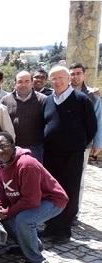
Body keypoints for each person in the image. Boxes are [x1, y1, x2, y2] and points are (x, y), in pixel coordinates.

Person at [0, 132, 68, 263]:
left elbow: (32, 200)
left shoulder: (26, 164)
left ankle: (35, 260)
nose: (1, 151)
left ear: (13, 145)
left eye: (4, 146)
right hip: (29, 200)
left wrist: (8, 212)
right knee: (2, 218)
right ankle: (30, 246)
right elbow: (3, 192)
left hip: (52, 200)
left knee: (24, 220)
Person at [41, 66, 97, 244]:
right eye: (53, 78)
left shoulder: (81, 100)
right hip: (51, 154)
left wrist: (76, 145)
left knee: (69, 192)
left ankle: (63, 231)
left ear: (68, 79)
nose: (57, 82)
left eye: (60, 78)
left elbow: (91, 128)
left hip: (71, 155)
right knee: (51, 191)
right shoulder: (49, 101)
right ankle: (51, 226)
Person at [69, 62, 102, 223]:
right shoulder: (60, 92)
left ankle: (74, 212)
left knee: (78, 179)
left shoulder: (92, 95)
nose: (75, 76)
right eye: (72, 73)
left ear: (84, 75)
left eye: (78, 73)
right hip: (61, 145)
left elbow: (98, 120)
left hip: (83, 144)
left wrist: (98, 143)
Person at [0, 71, 47, 163]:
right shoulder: (5, 101)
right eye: (20, 81)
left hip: (36, 149)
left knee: (33, 176)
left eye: (26, 81)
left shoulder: (43, 100)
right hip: (12, 148)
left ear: (32, 83)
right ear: (15, 84)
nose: (23, 85)